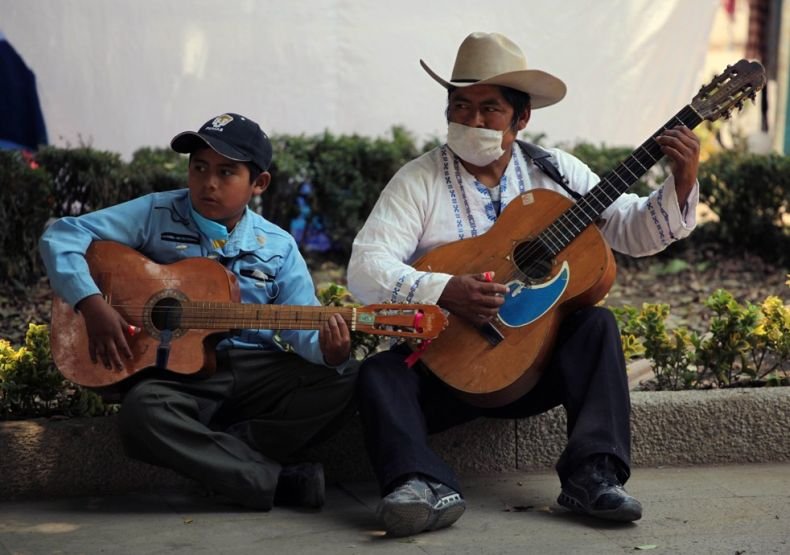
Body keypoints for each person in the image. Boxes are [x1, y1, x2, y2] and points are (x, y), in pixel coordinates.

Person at [347, 32, 700, 536]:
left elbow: (629, 229)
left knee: (596, 325)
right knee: (380, 373)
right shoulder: (418, 180)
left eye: (489, 109)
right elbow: (365, 266)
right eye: (460, 106)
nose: (470, 120)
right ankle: (421, 487)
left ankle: (592, 477)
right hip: (445, 369)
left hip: (530, 368)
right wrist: (445, 289)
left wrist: (681, 182)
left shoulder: (555, 171)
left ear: (522, 118)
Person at [39, 112, 357, 511]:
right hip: (178, 375)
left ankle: (223, 455)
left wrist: (331, 350)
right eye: (199, 167)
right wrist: (91, 303)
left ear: (258, 184)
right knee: (141, 414)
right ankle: (272, 480)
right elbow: (63, 234)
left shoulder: (278, 246)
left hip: (255, 371)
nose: (208, 183)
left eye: (226, 173)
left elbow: (302, 328)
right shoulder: (156, 213)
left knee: (345, 378)